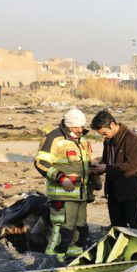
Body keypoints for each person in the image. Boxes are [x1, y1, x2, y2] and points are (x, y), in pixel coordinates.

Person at [34, 108, 94, 260]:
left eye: (81, 126)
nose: (80, 130)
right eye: (76, 127)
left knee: (80, 228)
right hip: (62, 194)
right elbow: (40, 162)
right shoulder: (53, 138)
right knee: (62, 230)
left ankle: (74, 256)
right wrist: (62, 178)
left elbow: (84, 166)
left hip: (81, 195)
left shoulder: (82, 140)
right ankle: (53, 259)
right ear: (67, 125)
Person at [90, 110, 137, 230]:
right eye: (101, 134)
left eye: (104, 133)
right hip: (113, 190)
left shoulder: (132, 139)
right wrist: (97, 168)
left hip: (131, 190)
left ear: (112, 125)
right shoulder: (108, 140)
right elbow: (106, 161)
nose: (104, 137)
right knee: (117, 226)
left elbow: (132, 167)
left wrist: (107, 168)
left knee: (135, 226)